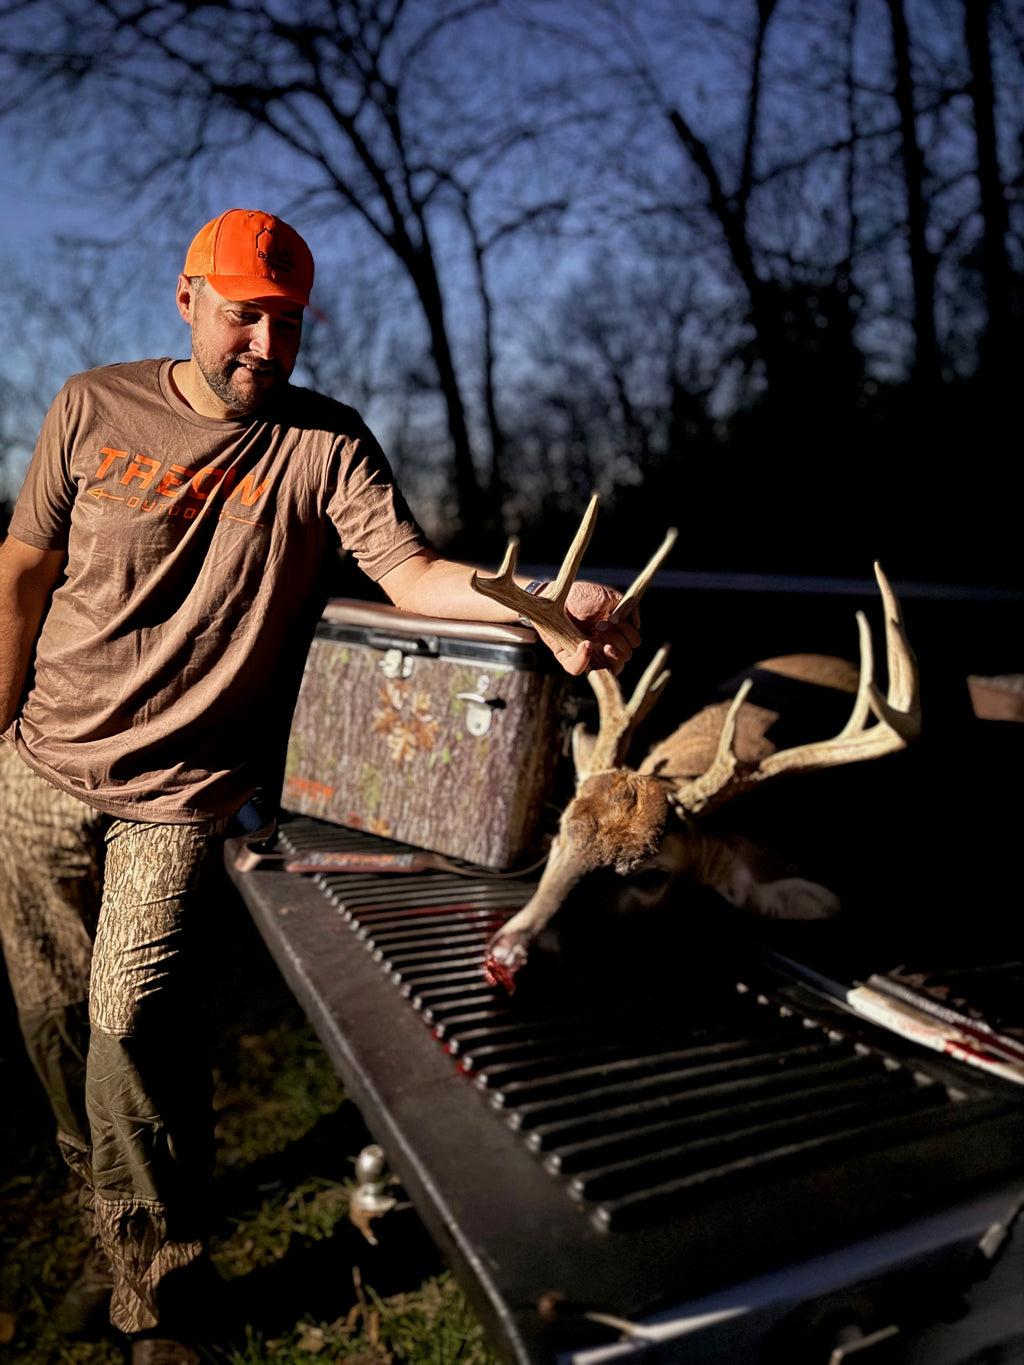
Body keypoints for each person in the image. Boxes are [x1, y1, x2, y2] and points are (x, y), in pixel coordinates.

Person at [0, 209, 639, 1361]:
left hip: (178, 794)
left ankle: (164, 1299)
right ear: (187, 298)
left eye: (286, 323)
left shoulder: (325, 445)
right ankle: (122, 1235)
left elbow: (414, 574)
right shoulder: (89, 407)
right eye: (244, 314)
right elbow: (21, 574)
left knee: (126, 1029)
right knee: (53, 1030)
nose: (263, 343)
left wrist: (548, 605)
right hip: (38, 766)